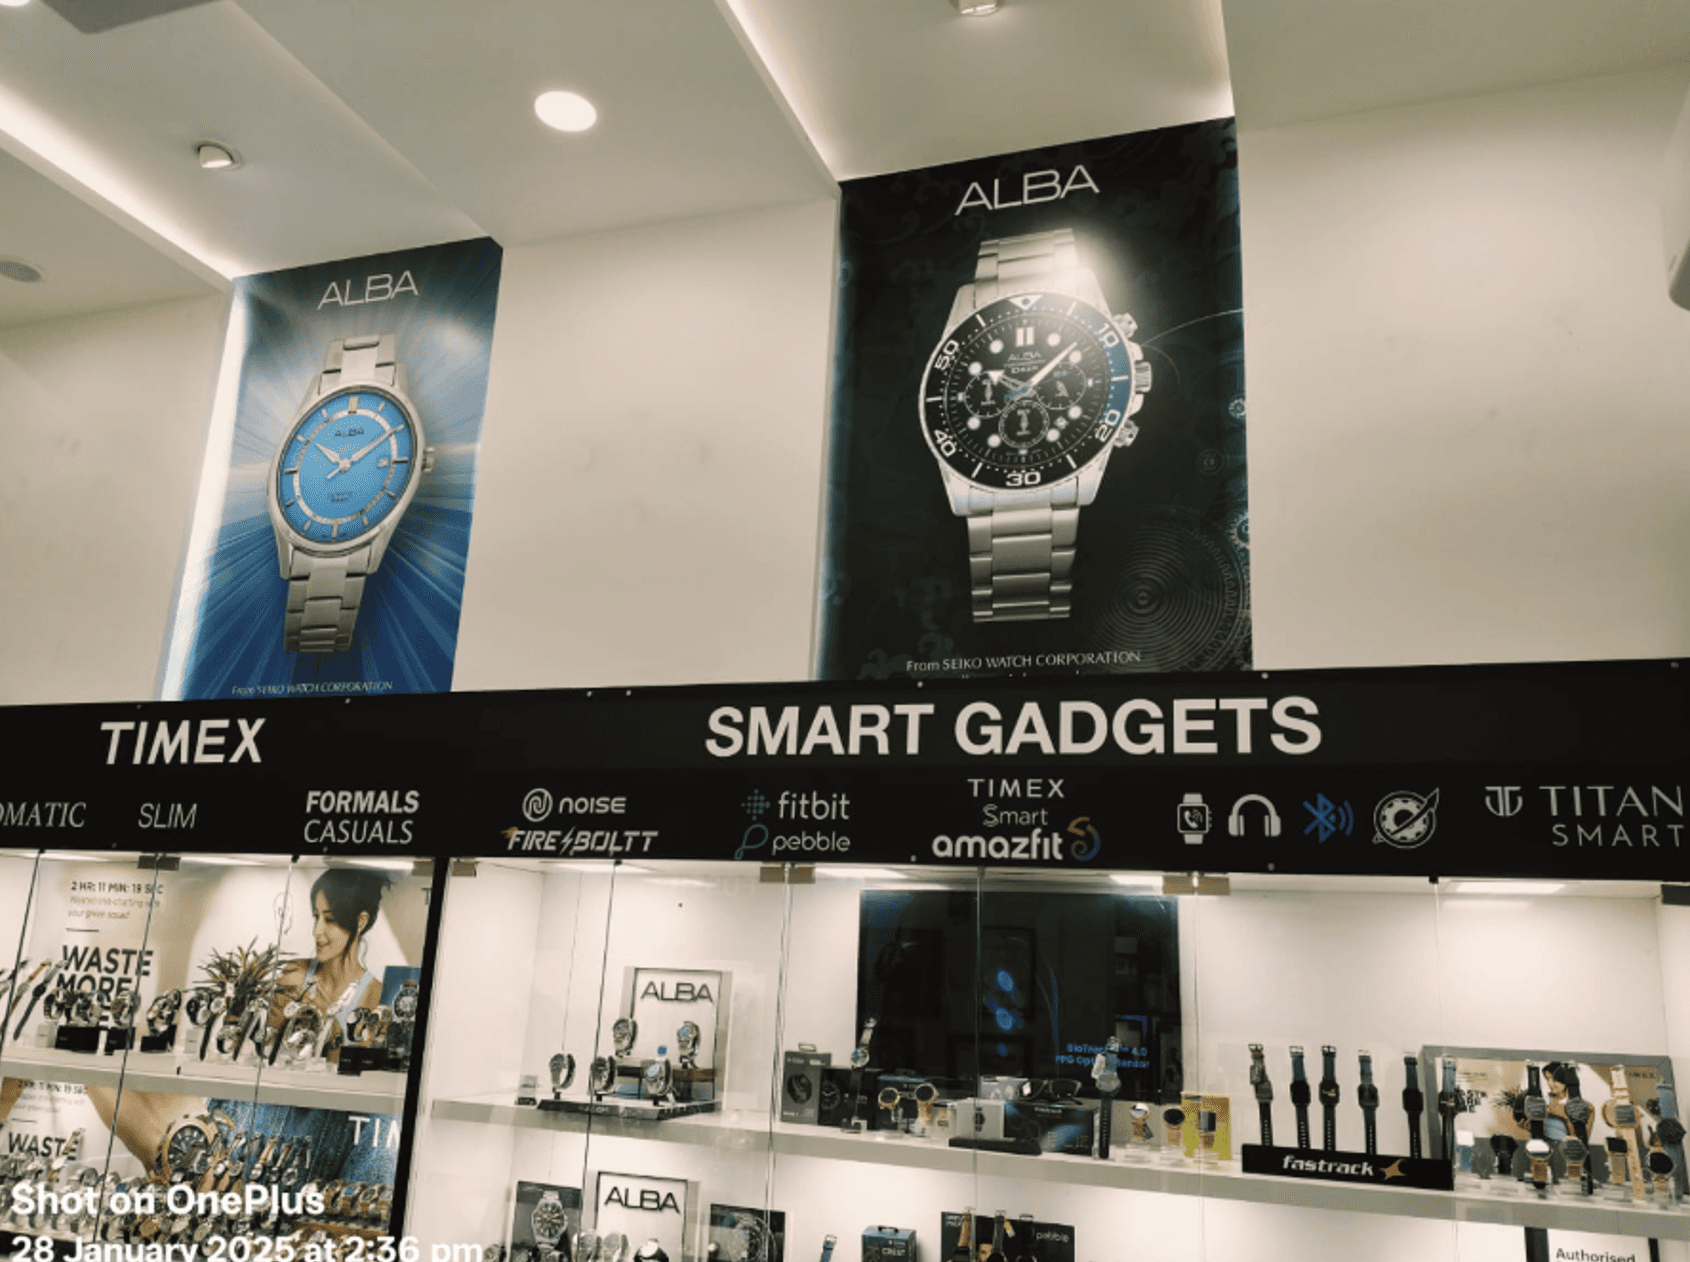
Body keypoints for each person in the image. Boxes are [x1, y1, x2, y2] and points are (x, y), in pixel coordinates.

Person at [273, 868, 392, 1046]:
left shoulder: (375, 995)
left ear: (360, 922)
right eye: (316, 917)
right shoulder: (294, 975)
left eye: (330, 919)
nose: (316, 931)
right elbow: (263, 1050)